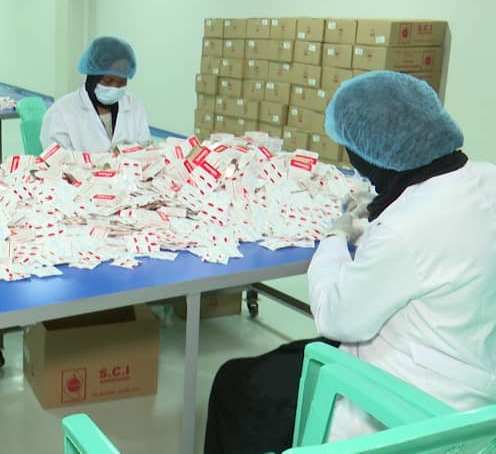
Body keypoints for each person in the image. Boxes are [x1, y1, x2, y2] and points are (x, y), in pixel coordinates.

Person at [203, 71, 496, 453]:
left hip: (409, 401)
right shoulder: (487, 179)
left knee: (235, 382)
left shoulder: (405, 229)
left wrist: (335, 238)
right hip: (476, 387)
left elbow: (334, 315)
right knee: (287, 358)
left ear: (378, 155)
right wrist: (381, 213)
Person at [40, 36, 150, 152]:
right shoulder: (61, 112)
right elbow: (56, 157)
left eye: (122, 82)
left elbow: (145, 148)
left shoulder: (135, 106)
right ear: (93, 76)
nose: (115, 87)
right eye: (108, 81)